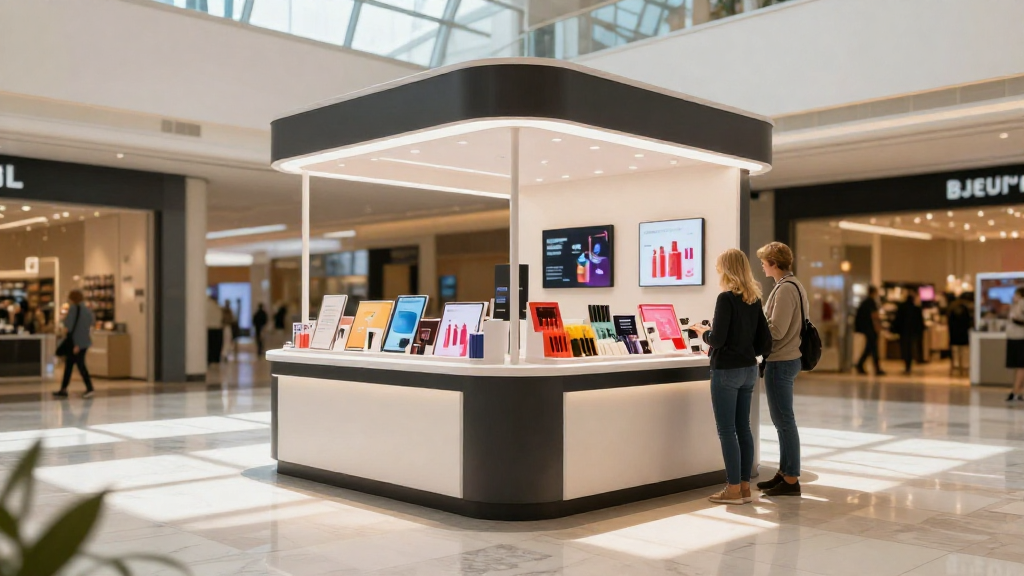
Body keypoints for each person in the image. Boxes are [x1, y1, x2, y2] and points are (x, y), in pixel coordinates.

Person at [690, 249, 772, 505]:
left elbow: (718, 339)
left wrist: (703, 332)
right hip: (748, 370)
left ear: (726, 270)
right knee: (743, 428)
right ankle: (745, 486)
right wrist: (747, 352)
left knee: (727, 431)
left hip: (726, 371)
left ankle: (733, 489)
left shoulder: (725, 299)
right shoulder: (754, 300)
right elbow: (765, 342)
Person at [757, 241, 807, 497]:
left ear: (774, 263)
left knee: (784, 421)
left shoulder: (786, 289)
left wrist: (755, 330)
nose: (762, 266)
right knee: (782, 421)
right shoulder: (791, 285)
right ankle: (785, 473)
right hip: (786, 359)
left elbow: (777, 330)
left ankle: (790, 479)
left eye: (764, 262)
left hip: (781, 360)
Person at [53, 291, 95, 399]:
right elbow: (90, 324)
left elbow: (69, 326)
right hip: (84, 341)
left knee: (79, 366)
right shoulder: (87, 310)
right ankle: (63, 388)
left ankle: (89, 388)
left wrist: (76, 344)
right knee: (70, 365)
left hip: (75, 343)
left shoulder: (73, 309)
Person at [854, 286, 885, 376]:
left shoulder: (865, 303)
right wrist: (878, 328)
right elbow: (874, 316)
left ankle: (860, 364)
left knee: (869, 348)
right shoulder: (871, 303)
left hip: (866, 329)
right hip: (870, 329)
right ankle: (876, 368)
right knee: (873, 348)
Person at [893, 293, 924, 375]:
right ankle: (909, 364)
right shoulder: (916, 309)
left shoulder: (902, 308)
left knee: (905, 349)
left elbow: (897, 320)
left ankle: (907, 364)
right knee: (910, 348)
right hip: (912, 332)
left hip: (903, 332)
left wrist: (895, 330)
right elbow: (920, 322)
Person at [947, 294, 973, 377]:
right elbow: (968, 321)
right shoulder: (965, 309)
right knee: (963, 352)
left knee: (954, 352)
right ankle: (962, 368)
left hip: (954, 335)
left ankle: (954, 367)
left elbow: (949, 322)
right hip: (963, 334)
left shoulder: (951, 308)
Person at [1006, 287, 1024, 402]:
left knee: (1020, 366)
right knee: (1019, 366)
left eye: (1016, 294)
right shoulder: (1016, 305)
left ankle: (1016, 391)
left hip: (1019, 339)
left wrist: (1015, 320)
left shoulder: (1022, 304)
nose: (1013, 297)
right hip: (1016, 338)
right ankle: (1017, 390)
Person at [206, 295, 223, 364]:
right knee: (216, 345)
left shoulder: (206, 306)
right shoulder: (217, 307)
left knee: (210, 345)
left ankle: (210, 358)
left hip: (209, 328)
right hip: (217, 328)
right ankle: (216, 359)